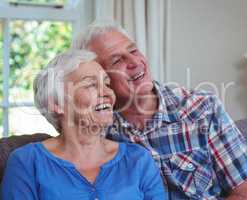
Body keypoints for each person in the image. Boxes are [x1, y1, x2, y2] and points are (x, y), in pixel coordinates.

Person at [72, 23, 247, 200]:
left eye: (133, 50)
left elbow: (246, 195)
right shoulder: (98, 129)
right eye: (117, 60)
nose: (135, 62)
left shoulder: (203, 108)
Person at [1, 50, 166, 200]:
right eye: (90, 85)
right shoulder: (27, 162)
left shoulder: (138, 160)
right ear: (57, 104)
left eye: (107, 84)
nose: (108, 93)